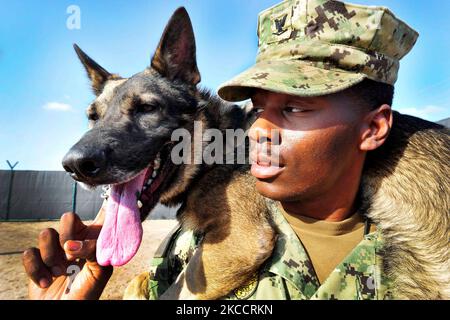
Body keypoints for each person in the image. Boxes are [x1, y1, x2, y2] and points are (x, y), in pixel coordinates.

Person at [22, 0, 447, 300]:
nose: (256, 128)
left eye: (296, 107)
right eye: (257, 108)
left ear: (374, 127)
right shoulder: (184, 243)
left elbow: (244, 245)